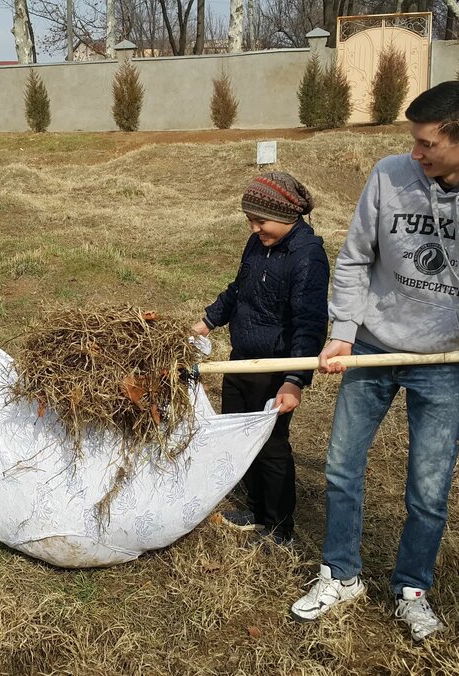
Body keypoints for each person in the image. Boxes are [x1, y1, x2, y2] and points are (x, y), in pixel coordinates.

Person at [288, 81, 459, 641]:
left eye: (427, 145)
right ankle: (340, 575)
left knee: (428, 487)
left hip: (442, 360)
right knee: (342, 468)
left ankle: (412, 588)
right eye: (412, 141)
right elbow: (355, 256)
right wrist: (343, 332)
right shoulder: (390, 174)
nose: (414, 154)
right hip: (370, 348)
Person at [192, 172, 330, 549]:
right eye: (249, 221)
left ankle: (279, 525)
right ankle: (253, 508)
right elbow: (239, 291)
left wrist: (295, 380)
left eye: (261, 221)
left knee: (270, 446)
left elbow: (309, 326)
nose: (254, 228)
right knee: (241, 434)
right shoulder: (257, 244)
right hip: (241, 362)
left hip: (273, 369)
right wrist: (208, 320)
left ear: (286, 214)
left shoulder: (307, 257)